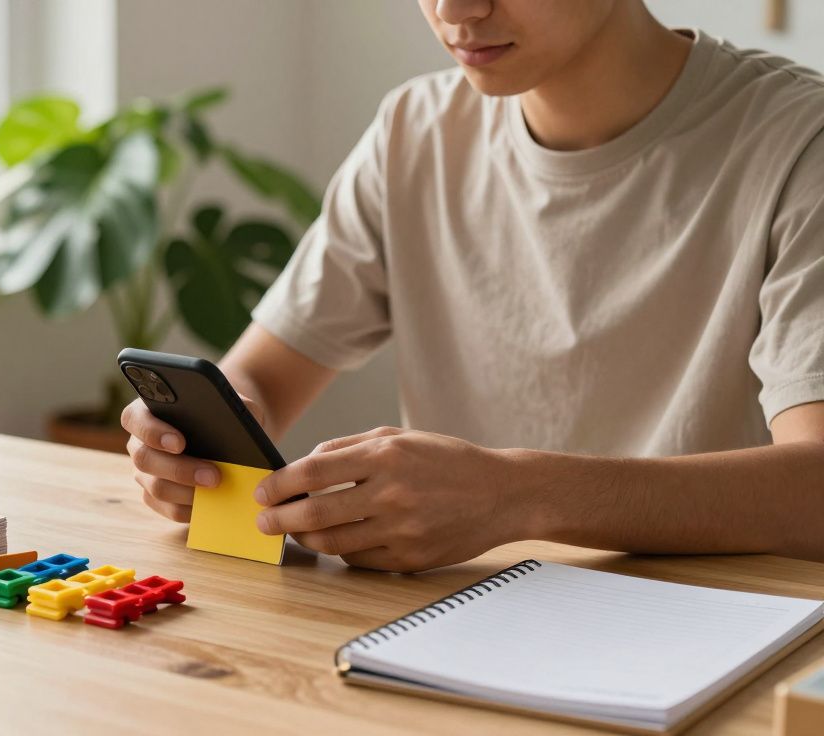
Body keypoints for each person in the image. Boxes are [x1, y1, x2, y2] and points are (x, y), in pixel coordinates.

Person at [121, 0, 824, 572]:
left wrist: (520, 496)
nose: (454, 9)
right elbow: (262, 379)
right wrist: (208, 439)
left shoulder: (799, 143)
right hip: (443, 625)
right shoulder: (414, 131)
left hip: (712, 635)